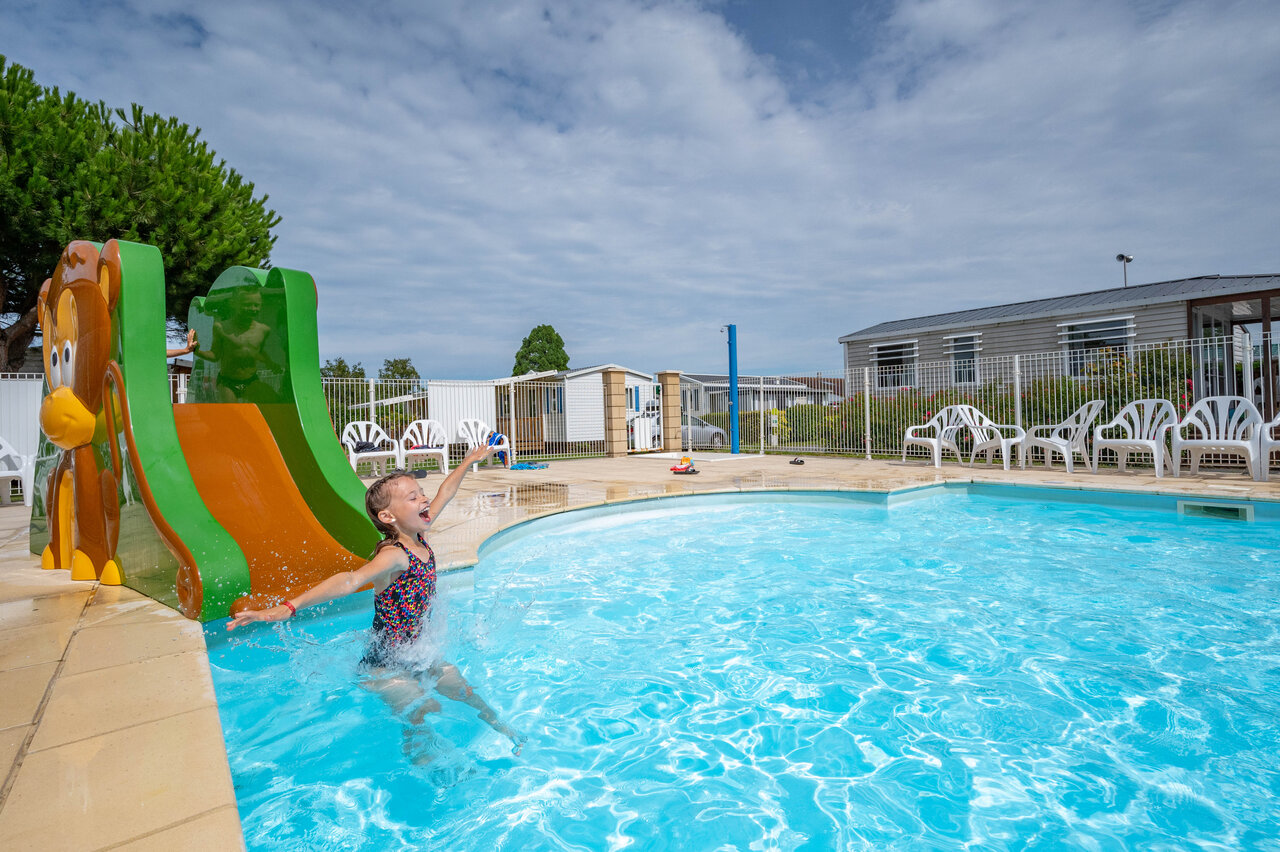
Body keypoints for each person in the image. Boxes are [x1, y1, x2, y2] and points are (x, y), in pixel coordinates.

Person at [226, 442, 523, 761]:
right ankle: (426, 763)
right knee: (421, 709)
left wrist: (467, 461)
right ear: (388, 516)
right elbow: (350, 580)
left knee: (463, 690)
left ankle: (504, 729)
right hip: (383, 667)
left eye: (421, 492)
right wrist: (287, 607)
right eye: (413, 497)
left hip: (416, 654)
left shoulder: (419, 534)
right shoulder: (395, 555)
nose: (424, 499)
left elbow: (445, 494)